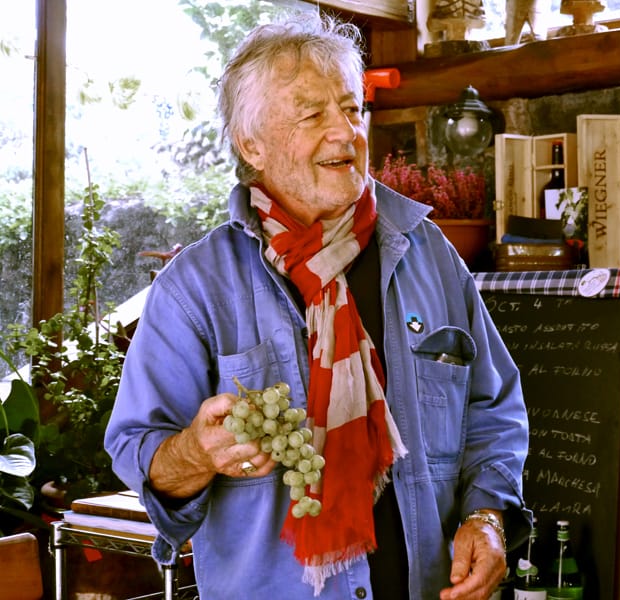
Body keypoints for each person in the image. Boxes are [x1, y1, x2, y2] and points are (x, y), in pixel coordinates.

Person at [105, 12, 530, 600]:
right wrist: (196, 453)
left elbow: (493, 407)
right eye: (312, 114)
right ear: (251, 144)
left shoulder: (428, 252)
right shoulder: (196, 287)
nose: (345, 132)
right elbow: (136, 449)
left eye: (352, 109)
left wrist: (487, 516)